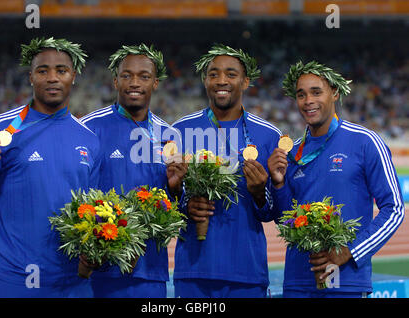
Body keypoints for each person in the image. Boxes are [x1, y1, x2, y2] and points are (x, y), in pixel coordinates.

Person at [0, 37, 102, 297]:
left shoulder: (89, 138)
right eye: (42, 70)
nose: (52, 78)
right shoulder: (2, 128)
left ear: (73, 77)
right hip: (12, 280)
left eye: (61, 70)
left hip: (73, 283)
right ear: (31, 77)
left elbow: (96, 208)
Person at [268, 61, 405, 298]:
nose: (308, 100)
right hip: (298, 282)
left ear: (335, 93)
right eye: (301, 95)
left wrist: (349, 251)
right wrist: (279, 183)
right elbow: (285, 222)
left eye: (316, 92)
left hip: (347, 281)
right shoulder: (292, 153)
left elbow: (394, 209)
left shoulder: (365, 142)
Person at [171, 44, 282, 298]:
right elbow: (165, 203)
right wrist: (184, 202)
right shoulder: (180, 131)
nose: (221, 80)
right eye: (213, 74)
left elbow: (275, 213)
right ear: (205, 80)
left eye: (231, 74)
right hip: (193, 272)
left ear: (245, 82)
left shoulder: (268, 135)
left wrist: (258, 194)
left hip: (247, 274)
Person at [80, 44, 186, 298]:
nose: (134, 83)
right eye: (126, 75)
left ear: (155, 83)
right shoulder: (88, 128)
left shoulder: (169, 136)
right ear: (115, 81)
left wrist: (176, 187)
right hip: (98, 271)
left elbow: (177, 208)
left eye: (144, 76)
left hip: (150, 273)